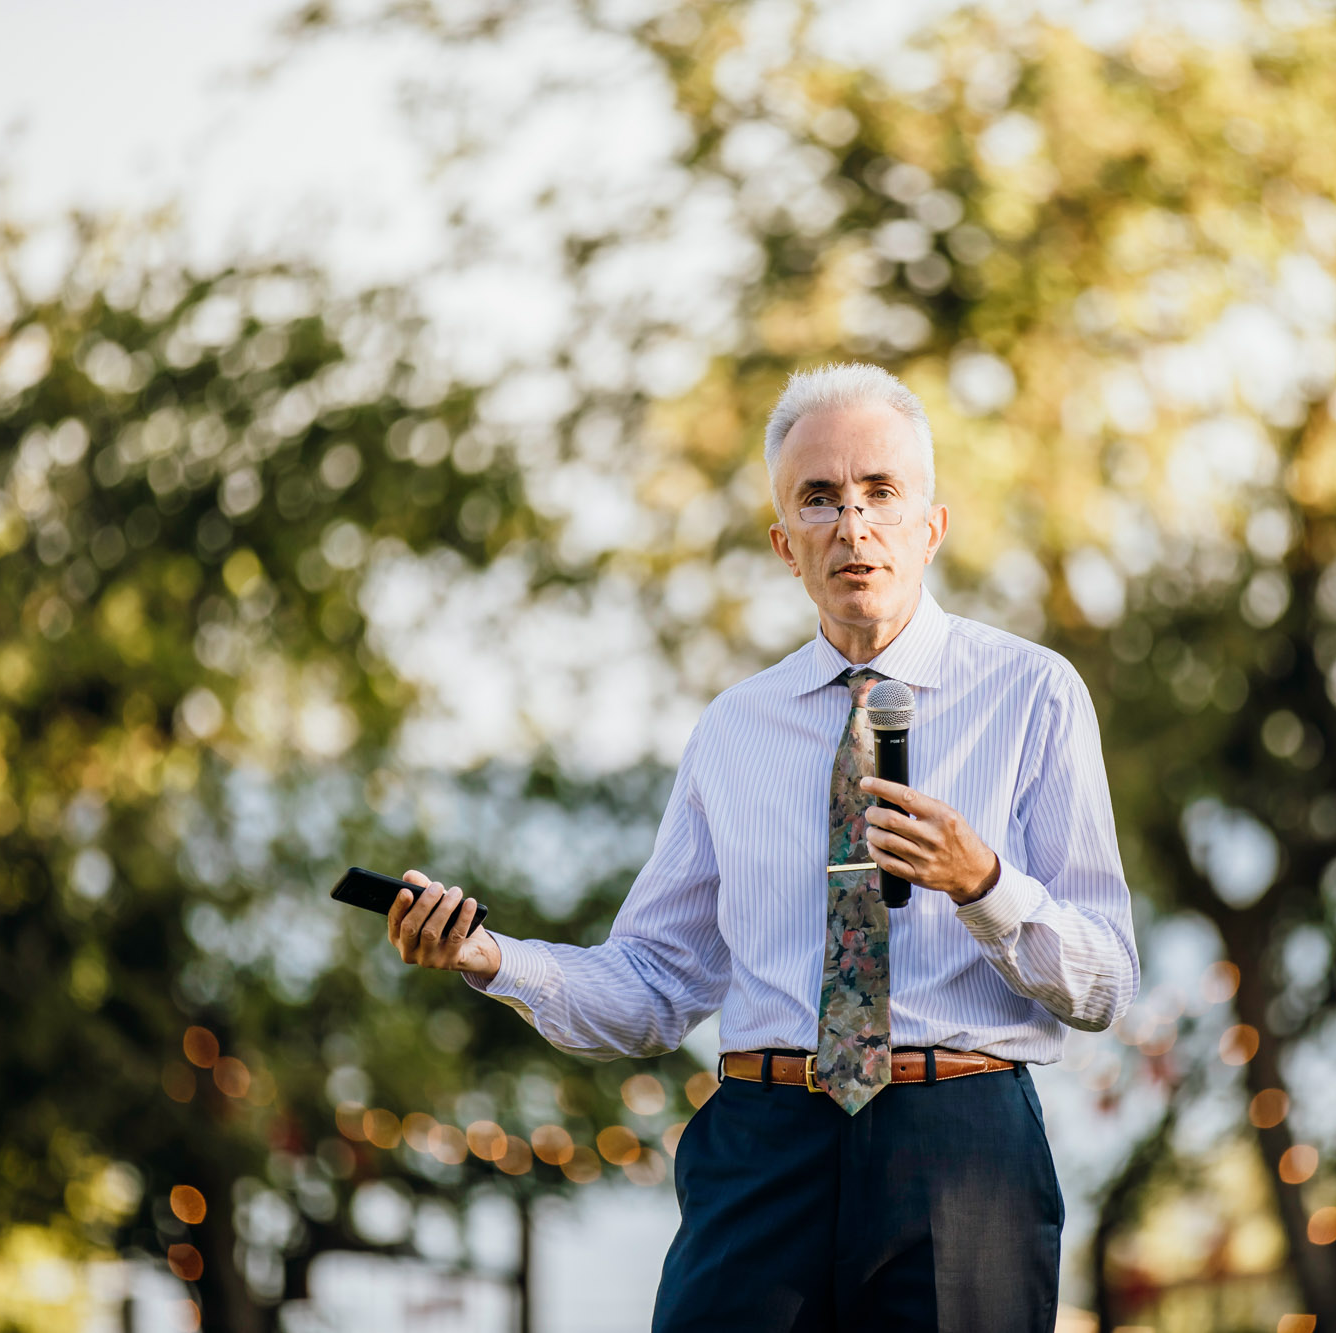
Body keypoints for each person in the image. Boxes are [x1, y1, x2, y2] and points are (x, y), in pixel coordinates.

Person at [386, 362, 1139, 1332]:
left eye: (880, 493)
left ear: (930, 526)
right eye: (819, 500)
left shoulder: (1032, 694)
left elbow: (1106, 983)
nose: (852, 525)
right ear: (786, 545)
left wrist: (984, 883)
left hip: (958, 1151)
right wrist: (491, 957)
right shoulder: (732, 730)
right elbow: (658, 985)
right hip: (762, 1145)